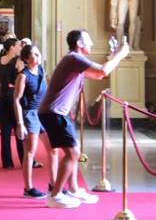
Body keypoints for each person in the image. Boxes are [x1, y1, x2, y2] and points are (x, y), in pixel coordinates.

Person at [38, 30, 129, 208]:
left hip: (59, 112)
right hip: (54, 112)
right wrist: (120, 55)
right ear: (79, 44)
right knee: (73, 153)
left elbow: (98, 74)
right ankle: (55, 195)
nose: (92, 44)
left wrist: (114, 58)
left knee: (73, 152)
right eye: (88, 41)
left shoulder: (75, 61)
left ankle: (72, 189)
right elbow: (102, 72)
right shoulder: (74, 58)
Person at [13, 43, 49, 198]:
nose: (37, 56)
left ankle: (54, 183)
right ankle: (28, 188)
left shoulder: (41, 70)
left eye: (38, 53)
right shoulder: (23, 76)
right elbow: (16, 100)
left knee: (51, 148)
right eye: (34, 54)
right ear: (27, 58)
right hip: (29, 115)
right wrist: (20, 123)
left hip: (42, 114)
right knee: (30, 152)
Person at [0, 35, 26, 169]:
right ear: (12, 47)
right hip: (15, 98)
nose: (20, 48)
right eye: (19, 45)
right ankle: (23, 159)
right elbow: (22, 81)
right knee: (19, 128)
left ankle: (7, 162)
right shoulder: (18, 62)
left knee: (5, 131)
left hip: (3, 97)